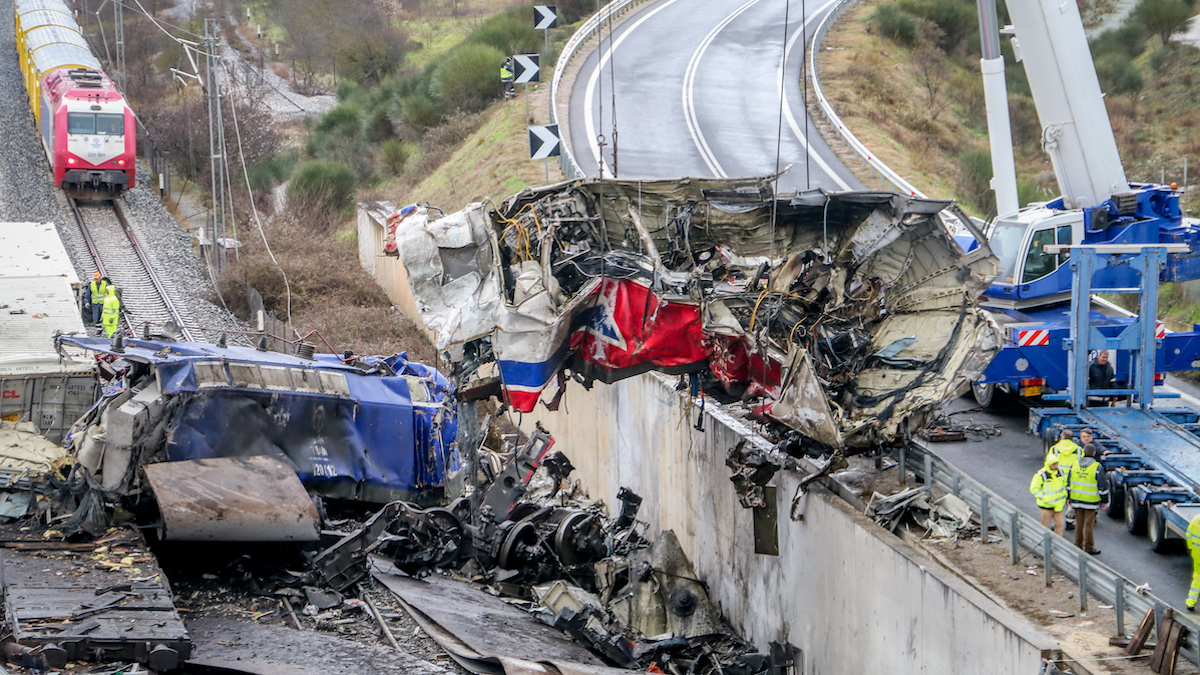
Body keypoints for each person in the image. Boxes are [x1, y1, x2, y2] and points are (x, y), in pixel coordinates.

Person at [1068, 443, 1108, 555]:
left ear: (1083, 452)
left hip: (1076, 499)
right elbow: (1102, 486)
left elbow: (1068, 482)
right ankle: (1089, 547)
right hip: (1090, 501)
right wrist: (1104, 501)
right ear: (1094, 453)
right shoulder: (1097, 467)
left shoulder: (1075, 465)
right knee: (1088, 524)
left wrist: (1068, 497)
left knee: (1079, 523)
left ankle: (1077, 545)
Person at [1031, 453, 1068, 536]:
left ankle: (1058, 545)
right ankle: (1044, 546)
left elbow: (1064, 484)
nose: (1056, 466)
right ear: (1049, 464)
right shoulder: (1041, 475)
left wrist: (1065, 495)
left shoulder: (1060, 471)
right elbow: (1034, 488)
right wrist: (1045, 498)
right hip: (1046, 506)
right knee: (1044, 528)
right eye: (1054, 464)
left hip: (1058, 506)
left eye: (1057, 463)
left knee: (1060, 526)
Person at [1187, 515, 1200, 611]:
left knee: (1197, 578)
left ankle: (1191, 602)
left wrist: (1191, 547)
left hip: (1197, 554)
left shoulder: (1196, 519)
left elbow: (1189, 535)